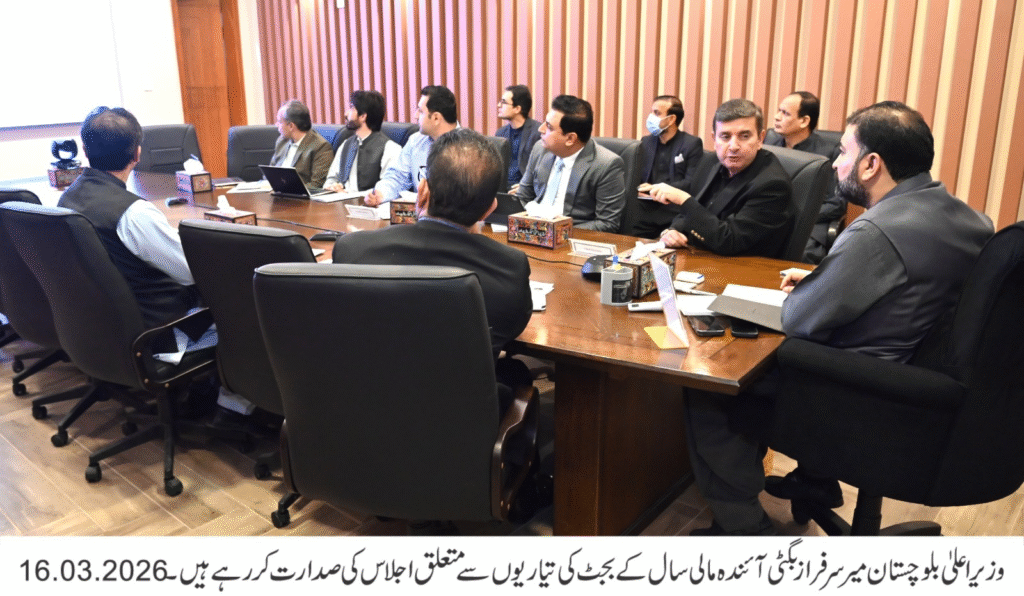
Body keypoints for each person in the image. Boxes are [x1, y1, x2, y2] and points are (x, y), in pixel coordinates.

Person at [685, 101, 994, 536]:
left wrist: (818, 288)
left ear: (871, 164)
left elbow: (798, 318)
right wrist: (827, 277)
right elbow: (905, 285)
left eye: (844, 151)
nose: (835, 162)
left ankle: (742, 527)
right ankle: (817, 482)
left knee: (711, 383)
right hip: (916, 381)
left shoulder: (876, 231)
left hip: (853, 393)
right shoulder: (972, 220)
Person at [333, 128, 531, 360]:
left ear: (422, 191)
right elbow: (507, 333)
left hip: (367, 381)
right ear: (489, 209)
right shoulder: (510, 270)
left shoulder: (351, 251)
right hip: (459, 384)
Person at [59, 107, 199, 329]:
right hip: (162, 328)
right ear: (137, 154)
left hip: (102, 327)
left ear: (85, 150)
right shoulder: (134, 213)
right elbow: (192, 272)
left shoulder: (68, 197)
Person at [654, 98, 794, 258]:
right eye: (725, 137)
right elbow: (694, 210)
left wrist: (683, 200)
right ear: (714, 139)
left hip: (743, 266)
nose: (733, 146)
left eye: (744, 136)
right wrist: (673, 230)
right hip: (702, 256)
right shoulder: (710, 162)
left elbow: (730, 241)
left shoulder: (773, 185)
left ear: (760, 139)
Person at [517, 94, 626, 232]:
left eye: (549, 127)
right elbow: (523, 196)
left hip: (571, 236)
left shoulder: (606, 165)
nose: (541, 129)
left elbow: (607, 224)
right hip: (532, 231)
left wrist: (555, 232)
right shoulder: (540, 148)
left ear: (570, 139)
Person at [766, 91, 846, 263]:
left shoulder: (828, 152)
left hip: (811, 225)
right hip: (771, 219)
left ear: (804, 121)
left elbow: (836, 204)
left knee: (802, 255)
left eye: (785, 113)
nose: (776, 117)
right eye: (779, 111)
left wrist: (800, 216)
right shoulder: (768, 146)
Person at [365, 85, 459, 206]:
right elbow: (397, 177)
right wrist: (381, 194)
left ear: (436, 118)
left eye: (420, 111)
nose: (415, 116)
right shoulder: (415, 141)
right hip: (419, 214)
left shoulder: (468, 147)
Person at [632, 95, 704, 238]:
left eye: (657, 113)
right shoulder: (646, 142)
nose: (651, 117)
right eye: (651, 112)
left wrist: (655, 188)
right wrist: (637, 188)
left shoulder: (691, 144)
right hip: (646, 207)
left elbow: (692, 183)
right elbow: (636, 176)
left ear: (671, 119)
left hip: (673, 209)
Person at [323, 90, 401, 193]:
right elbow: (331, 180)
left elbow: (389, 189)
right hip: (339, 200)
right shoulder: (346, 144)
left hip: (366, 202)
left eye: (352, 108)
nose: (346, 114)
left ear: (363, 116)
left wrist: (346, 195)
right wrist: (332, 188)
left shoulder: (391, 148)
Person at [269, 99, 334, 188]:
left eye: (280, 122)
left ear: (291, 126)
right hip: (275, 192)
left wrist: (287, 189)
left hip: (298, 195)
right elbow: (270, 172)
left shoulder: (321, 147)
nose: (277, 125)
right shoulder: (282, 141)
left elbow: (317, 184)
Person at [494, 84, 542, 192]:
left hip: (525, 190)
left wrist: (525, 187)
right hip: (502, 189)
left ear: (517, 109)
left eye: (503, 102)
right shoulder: (500, 133)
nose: (498, 105)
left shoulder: (538, 133)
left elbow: (542, 170)